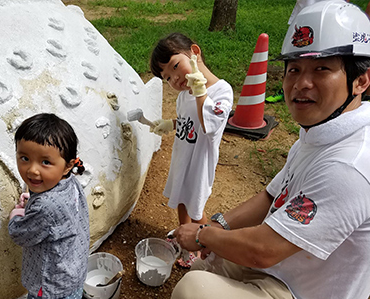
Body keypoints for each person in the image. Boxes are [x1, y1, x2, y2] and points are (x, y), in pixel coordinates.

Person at [171, 1, 370, 299]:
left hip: (300, 289)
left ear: (360, 81)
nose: (301, 83)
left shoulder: (349, 165)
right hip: (281, 267)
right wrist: (217, 225)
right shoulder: (319, 134)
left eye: (321, 69)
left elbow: (264, 251)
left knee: (193, 288)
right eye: (294, 69)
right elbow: (270, 196)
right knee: (208, 263)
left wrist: (202, 233)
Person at [149, 32, 234, 267]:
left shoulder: (221, 91)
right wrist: (170, 124)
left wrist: (200, 90)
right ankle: (185, 243)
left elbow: (209, 125)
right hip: (182, 157)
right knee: (182, 201)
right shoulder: (184, 95)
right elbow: (187, 121)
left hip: (199, 163)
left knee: (196, 209)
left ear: (194, 52)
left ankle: (207, 249)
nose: (174, 79)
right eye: (167, 77)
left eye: (175, 66)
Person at [8, 113, 89, 299]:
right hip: (72, 274)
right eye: (24, 158)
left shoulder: (46, 207)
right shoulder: (71, 182)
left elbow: (20, 234)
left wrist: (17, 213)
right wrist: (33, 200)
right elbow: (57, 211)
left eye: (45, 162)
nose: (32, 169)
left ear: (67, 166)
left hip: (50, 287)